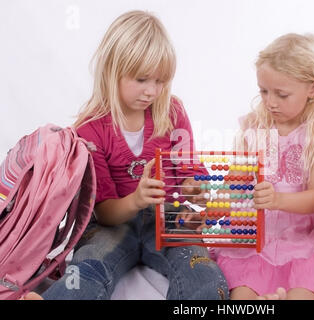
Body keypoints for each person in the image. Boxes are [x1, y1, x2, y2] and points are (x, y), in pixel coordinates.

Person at [33, 10, 228, 300]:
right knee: (87, 272)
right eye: (141, 79)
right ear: (113, 71)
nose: (152, 91)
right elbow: (104, 212)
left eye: (160, 81)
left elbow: (189, 169)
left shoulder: (172, 112)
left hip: (168, 219)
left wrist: (196, 191)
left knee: (204, 277)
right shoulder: (90, 129)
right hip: (113, 224)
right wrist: (137, 199)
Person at [214, 33, 314, 300]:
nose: (270, 101)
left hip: (302, 242)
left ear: (313, 89)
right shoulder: (254, 125)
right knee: (241, 299)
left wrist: (277, 199)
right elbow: (235, 180)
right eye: (263, 91)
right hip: (253, 242)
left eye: (281, 94)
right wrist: (215, 203)